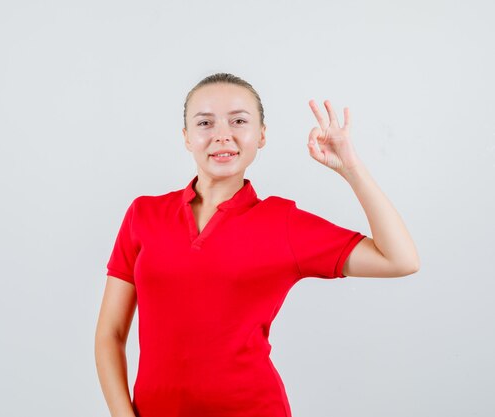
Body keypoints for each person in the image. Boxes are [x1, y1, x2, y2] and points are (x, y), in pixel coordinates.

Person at [94, 72, 420, 417]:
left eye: (238, 121)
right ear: (187, 137)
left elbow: (399, 260)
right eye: (205, 122)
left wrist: (351, 168)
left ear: (261, 135)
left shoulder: (283, 223)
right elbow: (110, 334)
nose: (222, 135)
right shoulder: (144, 214)